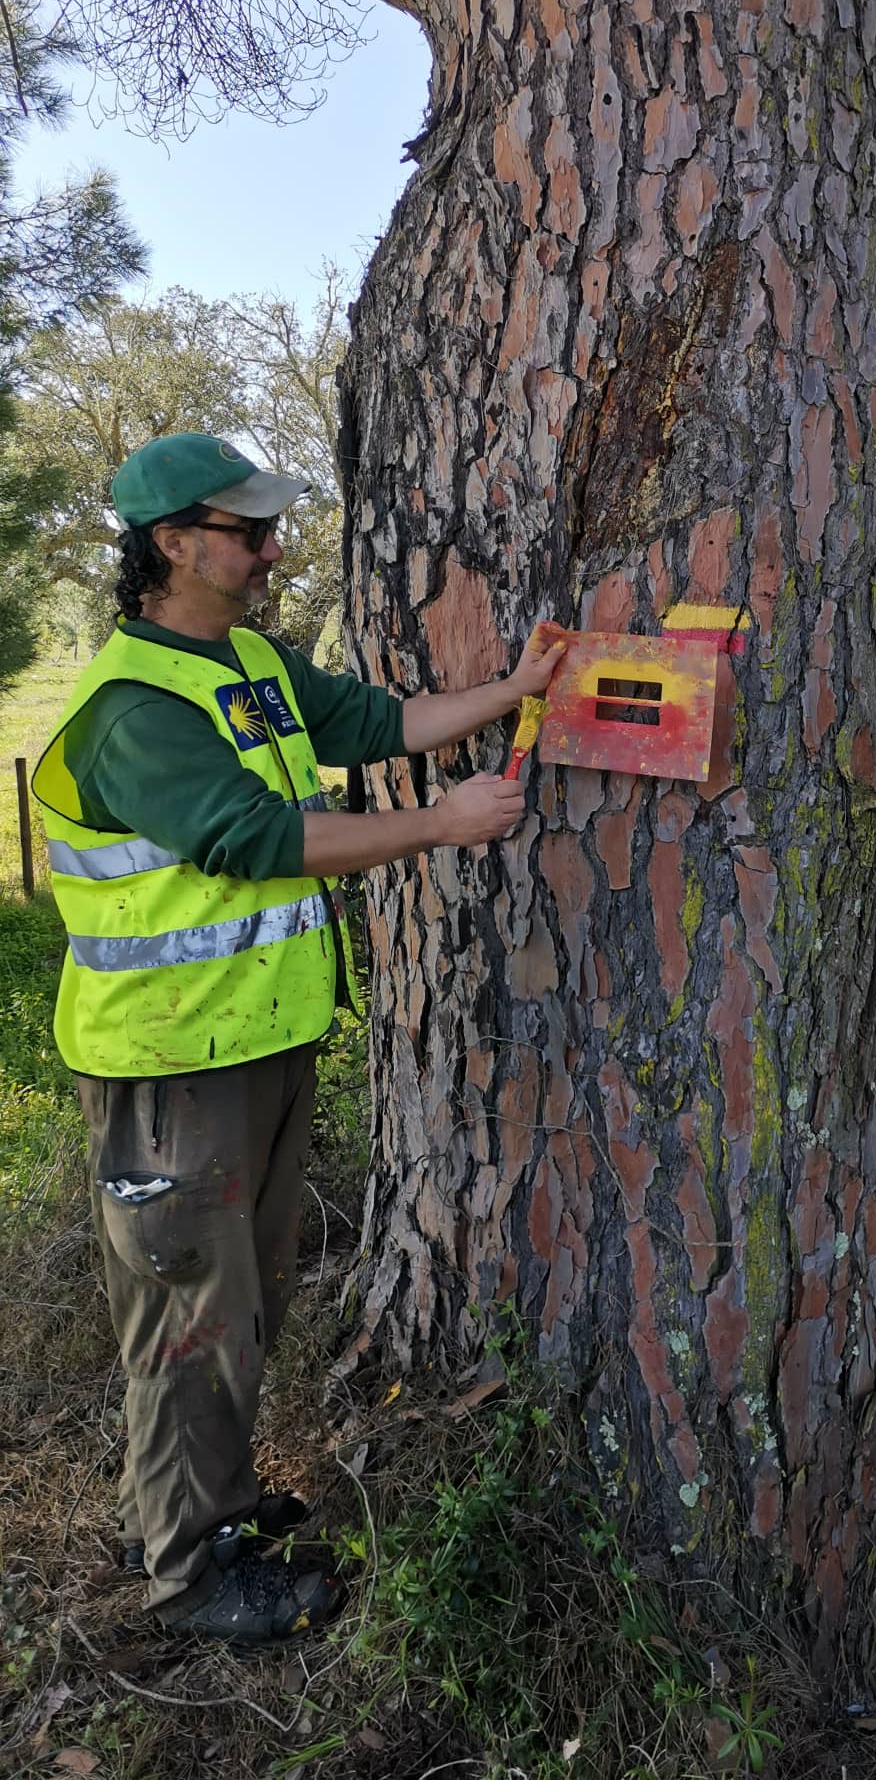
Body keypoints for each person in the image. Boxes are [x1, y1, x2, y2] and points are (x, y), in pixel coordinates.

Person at [31, 432, 565, 1645]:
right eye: (249, 531)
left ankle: (201, 1510)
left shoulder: (253, 660)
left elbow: (375, 720)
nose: (274, 551)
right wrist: (443, 824)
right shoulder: (132, 711)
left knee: (237, 1303)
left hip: (254, 1044)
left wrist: (513, 690)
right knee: (189, 1319)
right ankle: (187, 1573)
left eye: (273, 527)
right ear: (174, 543)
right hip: (168, 1065)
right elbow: (259, 838)